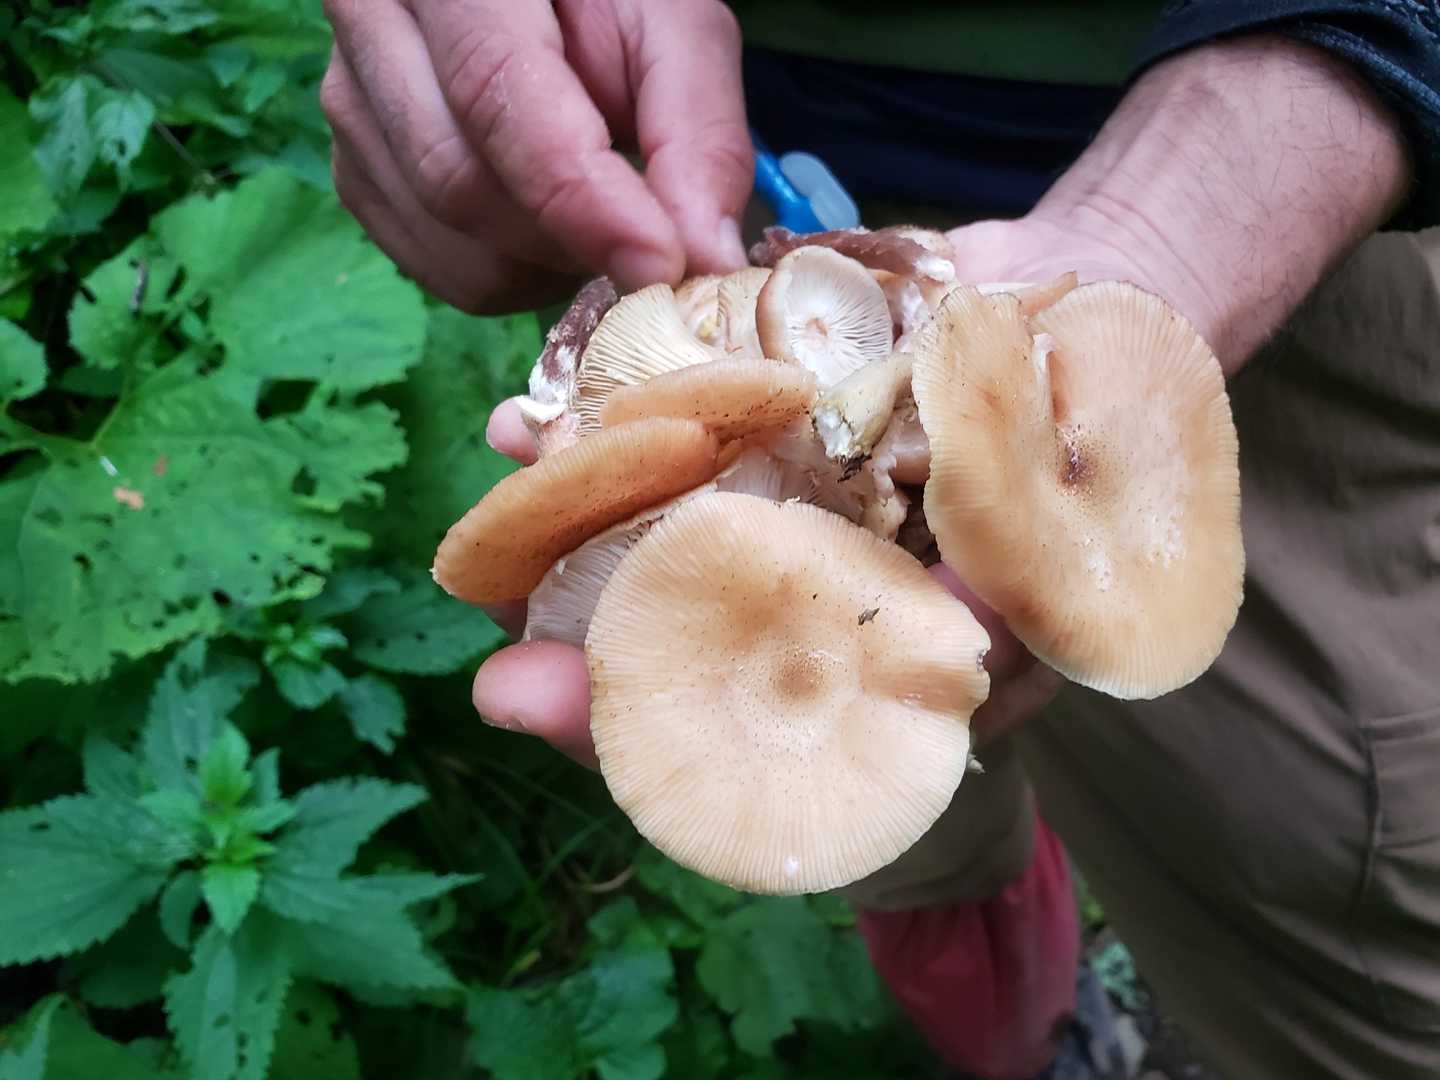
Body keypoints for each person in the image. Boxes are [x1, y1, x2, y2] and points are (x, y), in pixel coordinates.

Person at [318, 2, 1440, 1076]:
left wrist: (1179, 216)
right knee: (876, 821)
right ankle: (1027, 1040)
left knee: (1324, 859)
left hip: (1245, 187)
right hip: (723, 192)